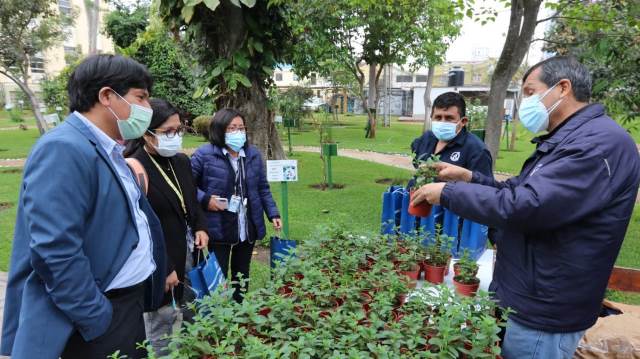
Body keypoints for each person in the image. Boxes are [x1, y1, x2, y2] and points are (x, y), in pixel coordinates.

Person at [411, 56, 640, 359]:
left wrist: (449, 193)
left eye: (531, 92)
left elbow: (526, 206)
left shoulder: (594, 145)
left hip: (546, 306)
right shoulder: (568, 140)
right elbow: (519, 191)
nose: (525, 103)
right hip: (531, 292)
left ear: (562, 88)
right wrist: (468, 177)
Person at [1, 54, 167, 359]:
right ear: (107, 96)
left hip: (124, 307)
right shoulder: (63, 148)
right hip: (97, 318)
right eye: (140, 97)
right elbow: (55, 250)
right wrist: (96, 316)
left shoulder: (107, 148)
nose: (147, 108)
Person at [124, 99, 209, 355]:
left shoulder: (181, 161)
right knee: (162, 319)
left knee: (193, 309)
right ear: (147, 134)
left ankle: (193, 350)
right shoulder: (135, 166)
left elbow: (192, 202)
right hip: (161, 258)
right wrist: (165, 268)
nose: (175, 136)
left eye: (178, 130)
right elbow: (142, 226)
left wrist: (201, 227)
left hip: (189, 249)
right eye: (167, 132)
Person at [191, 108, 282, 303]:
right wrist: (207, 200)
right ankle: (218, 318)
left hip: (246, 226)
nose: (238, 132)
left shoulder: (253, 154)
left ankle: (239, 314)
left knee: (242, 275)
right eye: (232, 128)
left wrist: (273, 213)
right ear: (219, 129)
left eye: (241, 128)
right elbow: (187, 186)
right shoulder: (204, 155)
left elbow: (262, 187)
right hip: (218, 228)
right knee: (218, 277)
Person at [411, 91, 492, 177]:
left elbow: (484, 187)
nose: (442, 122)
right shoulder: (426, 138)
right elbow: (416, 163)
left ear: (463, 121)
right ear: (431, 118)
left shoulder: (476, 150)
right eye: (438, 117)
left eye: (449, 118)